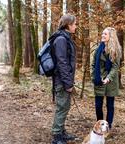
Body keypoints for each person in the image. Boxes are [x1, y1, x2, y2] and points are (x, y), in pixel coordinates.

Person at [50, 14, 77, 144]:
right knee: (62, 107)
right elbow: (62, 63)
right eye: (74, 24)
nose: (75, 26)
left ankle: (61, 131)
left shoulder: (65, 38)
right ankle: (56, 136)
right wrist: (68, 83)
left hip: (64, 80)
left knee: (65, 106)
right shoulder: (61, 39)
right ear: (68, 25)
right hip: (62, 81)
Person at [91, 27, 121, 132]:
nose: (103, 35)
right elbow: (93, 64)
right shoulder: (98, 49)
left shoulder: (116, 50)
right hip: (99, 79)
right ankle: (100, 125)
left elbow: (115, 66)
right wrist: (93, 76)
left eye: (105, 34)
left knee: (110, 105)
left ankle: (108, 126)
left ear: (111, 36)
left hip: (111, 81)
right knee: (98, 105)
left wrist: (108, 78)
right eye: (102, 33)